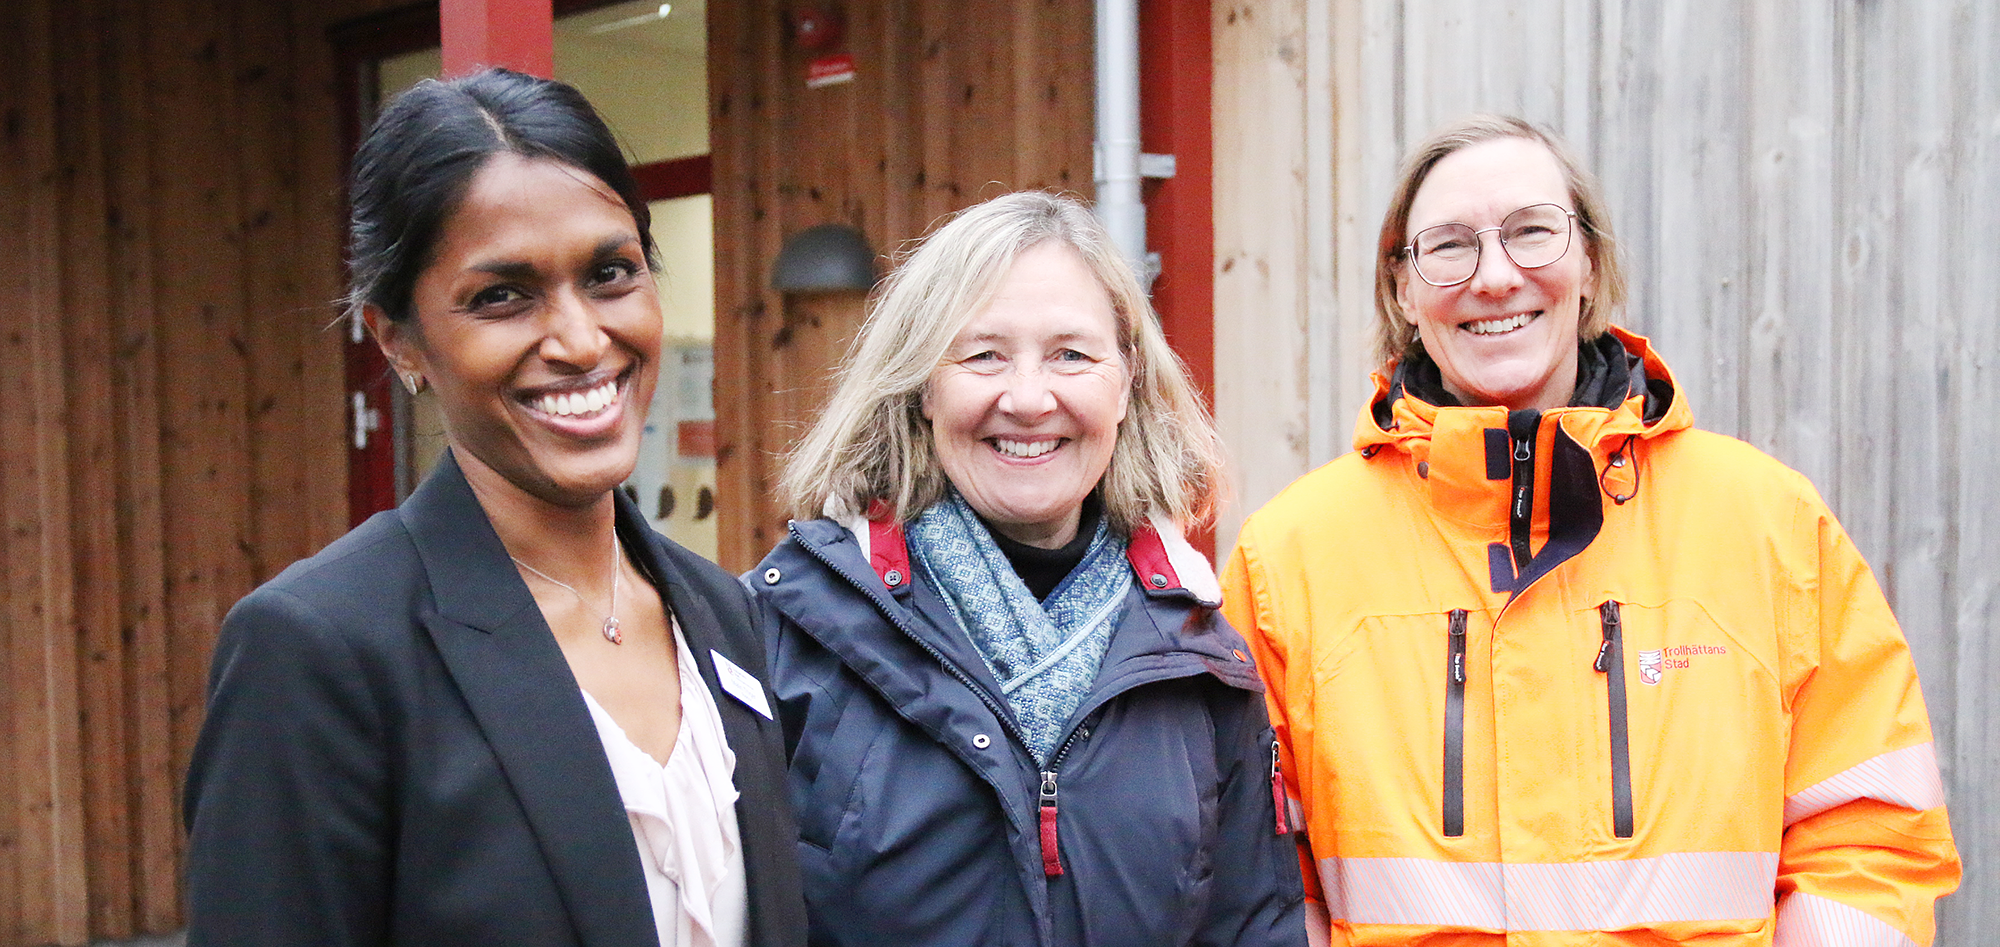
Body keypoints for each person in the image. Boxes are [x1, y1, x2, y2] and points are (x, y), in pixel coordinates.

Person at [1221, 114, 1961, 946]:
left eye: (1533, 232)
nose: (1496, 276)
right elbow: (1255, 876)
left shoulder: (1767, 528)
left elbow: (1866, 838)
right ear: (1402, 288)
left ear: (1589, 263)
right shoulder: (1290, 562)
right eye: (1450, 245)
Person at [182, 69, 806, 947]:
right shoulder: (320, 651)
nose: (583, 340)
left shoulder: (722, 615)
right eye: (501, 295)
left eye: (611, 274)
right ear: (399, 342)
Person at [752, 191, 1308, 946]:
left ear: (1127, 380)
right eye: (983, 355)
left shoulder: (1201, 660)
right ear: (923, 384)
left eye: (1070, 355)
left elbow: (1250, 930)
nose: (1026, 397)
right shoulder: (785, 635)